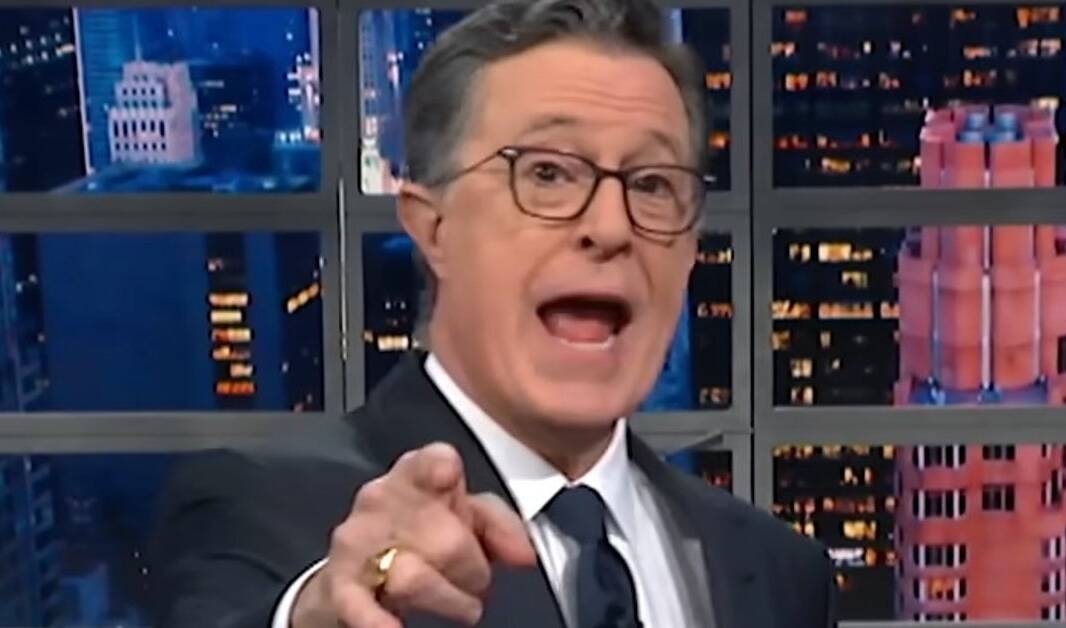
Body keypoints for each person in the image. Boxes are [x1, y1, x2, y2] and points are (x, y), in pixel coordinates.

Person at [151, 0, 837, 626]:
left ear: (689, 249)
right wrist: (322, 613)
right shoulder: (263, 506)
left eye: (653, 184)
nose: (611, 226)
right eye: (547, 173)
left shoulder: (777, 568)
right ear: (434, 227)